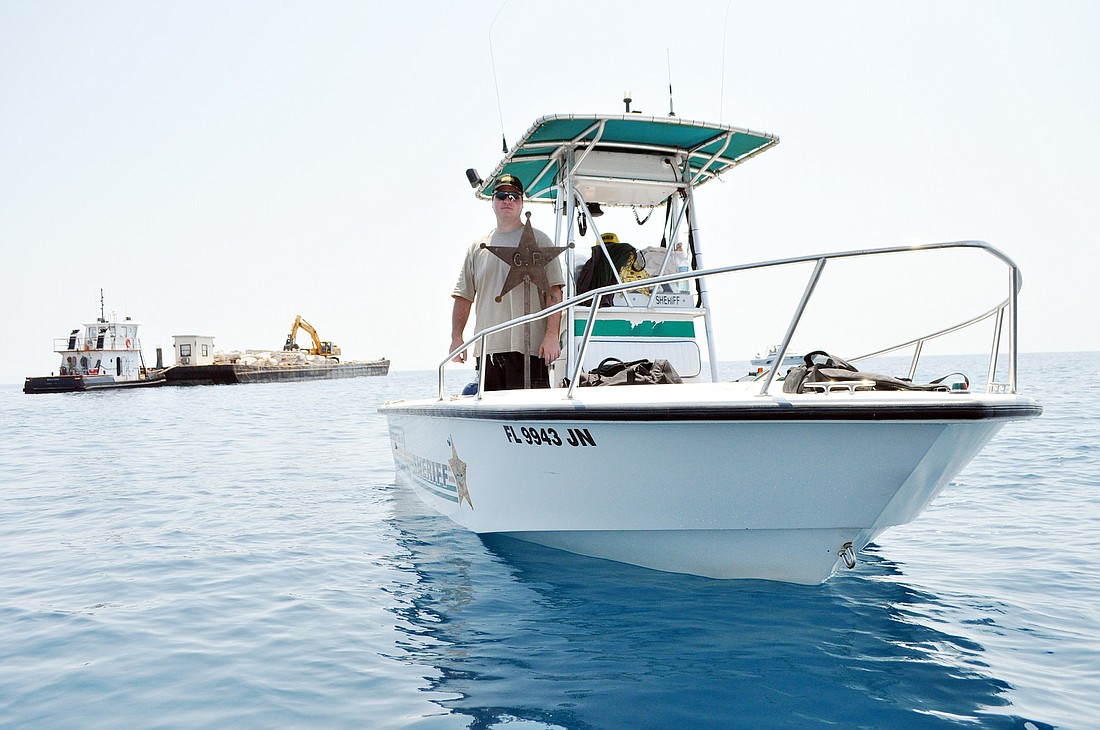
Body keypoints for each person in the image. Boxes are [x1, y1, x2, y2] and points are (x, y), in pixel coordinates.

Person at [450, 173, 565, 390]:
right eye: (502, 196)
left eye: (514, 196)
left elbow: (555, 292)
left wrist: (552, 336)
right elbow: (463, 296)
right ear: (492, 202)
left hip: (529, 350)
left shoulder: (540, 241)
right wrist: (456, 338)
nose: (507, 201)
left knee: (532, 418)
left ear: (522, 202)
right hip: (488, 352)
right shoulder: (478, 247)